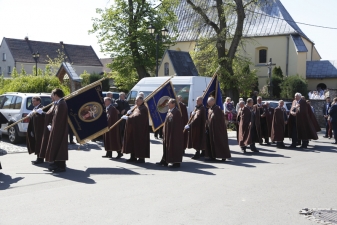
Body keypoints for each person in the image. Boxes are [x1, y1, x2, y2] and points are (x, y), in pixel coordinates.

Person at [45, 89, 68, 172]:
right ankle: (56, 164)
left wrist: (54, 127)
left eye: (52, 94)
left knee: (59, 146)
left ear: (56, 95)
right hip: (57, 128)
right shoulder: (59, 103)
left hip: (60, 129)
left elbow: (59, 119)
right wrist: (51, 124)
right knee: (56, 146)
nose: (51, 96)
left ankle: (61, 166)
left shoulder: (62, 104)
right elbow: (55, 117)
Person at [157, 98, 184, 168]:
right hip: (167, 133)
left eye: (169, 103)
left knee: (174, 147)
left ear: (173, 104)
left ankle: (176, 162)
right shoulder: (170, 111)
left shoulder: (176, 112)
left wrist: (174, 134)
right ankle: (165, 160)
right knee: (167, 147)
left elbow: (178, 125)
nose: (167, 104)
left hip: (174, 134)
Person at [121, 96, 150, 163]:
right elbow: (135, 114)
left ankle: (141, 158)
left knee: (140, 143)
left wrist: (129, 118)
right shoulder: (136, 107)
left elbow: (139, 117)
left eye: (137, 101)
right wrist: (131, 114)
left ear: (142, 101)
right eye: (135, 101)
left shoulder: (144, 109)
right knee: (132, 142)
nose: (136, 102)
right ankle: (133, 157)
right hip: (134, 129)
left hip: (140, 130)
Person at [26, 96, 45, 164]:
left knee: (40, 143)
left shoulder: (42, 108)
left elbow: (44, 117)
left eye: (34, 101)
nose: (32, 102)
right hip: (35, 129)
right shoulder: (35, 108)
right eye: (32, 101)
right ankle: (38, 157)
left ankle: (40, 159)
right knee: (36, 143)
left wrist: (41, 112)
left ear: (38, 101)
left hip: (40, 130)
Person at [39, 94, 56, 161]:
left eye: (52, 97)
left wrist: (42, 113)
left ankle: (57, 163)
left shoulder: (60, 104)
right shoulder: (54, 104)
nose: (51, 99)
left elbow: (51, 115)